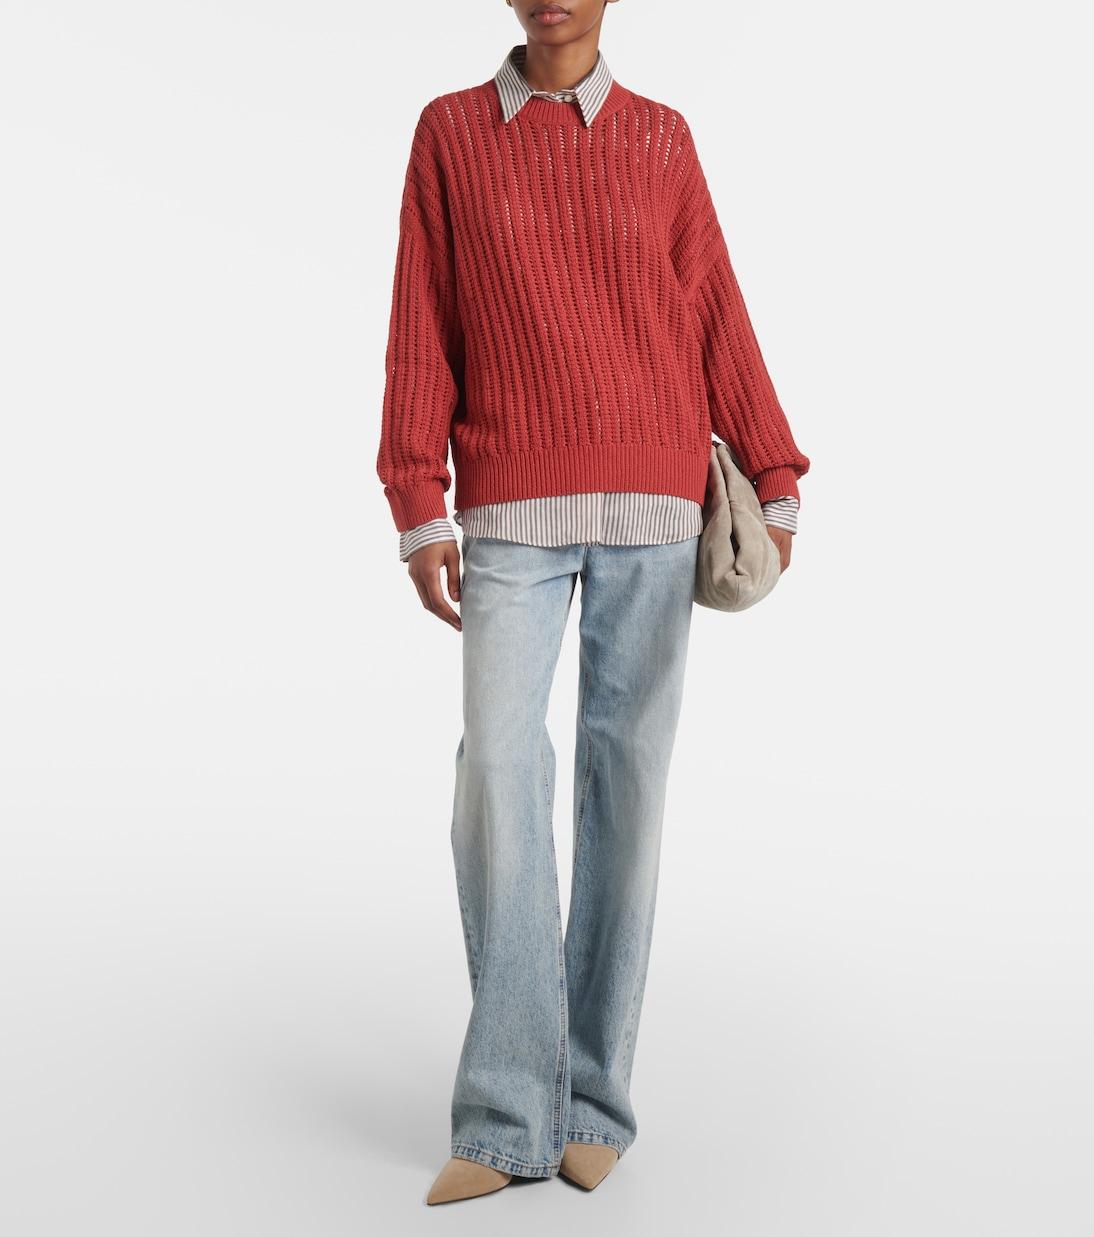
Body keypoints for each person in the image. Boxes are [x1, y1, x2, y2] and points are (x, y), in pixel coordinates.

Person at [376, 0, 809, 1206]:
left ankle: (593, 1103)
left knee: (625, 791)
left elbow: (710, 305)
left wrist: (772, 472)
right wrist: (417, 497)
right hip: (509, 505)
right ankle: (506, 1110)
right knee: (495, 775)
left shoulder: (660, 139)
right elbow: (421, 316)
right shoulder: (451, 133)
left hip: (656, 509)